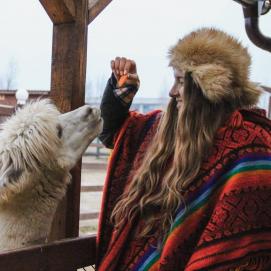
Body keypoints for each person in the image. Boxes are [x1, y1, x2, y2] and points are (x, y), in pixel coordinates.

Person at [96, 28, 271, 271]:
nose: (172, 92)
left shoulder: (249, 150)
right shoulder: (164, 133)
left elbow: (238, 247)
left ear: (205, 87)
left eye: (180, 81)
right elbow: (112, 134)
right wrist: (122, 89)